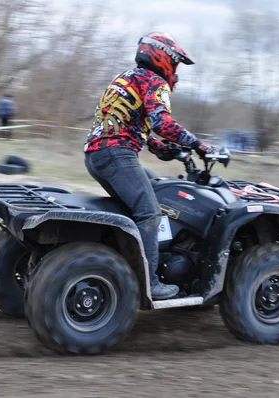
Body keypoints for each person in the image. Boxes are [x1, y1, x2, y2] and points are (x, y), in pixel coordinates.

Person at [83, 32, 215, 300]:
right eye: (176, 65)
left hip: (98, 155)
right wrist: (198, 145)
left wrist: (165, 148)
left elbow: (134, 125)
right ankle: (150, 283)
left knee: (152, 185)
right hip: (117, 155)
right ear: (163, 58)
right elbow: (161, 122)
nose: (175, 74)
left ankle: (135, 253)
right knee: (149, 213)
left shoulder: (126, 77)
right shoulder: (154, 82)